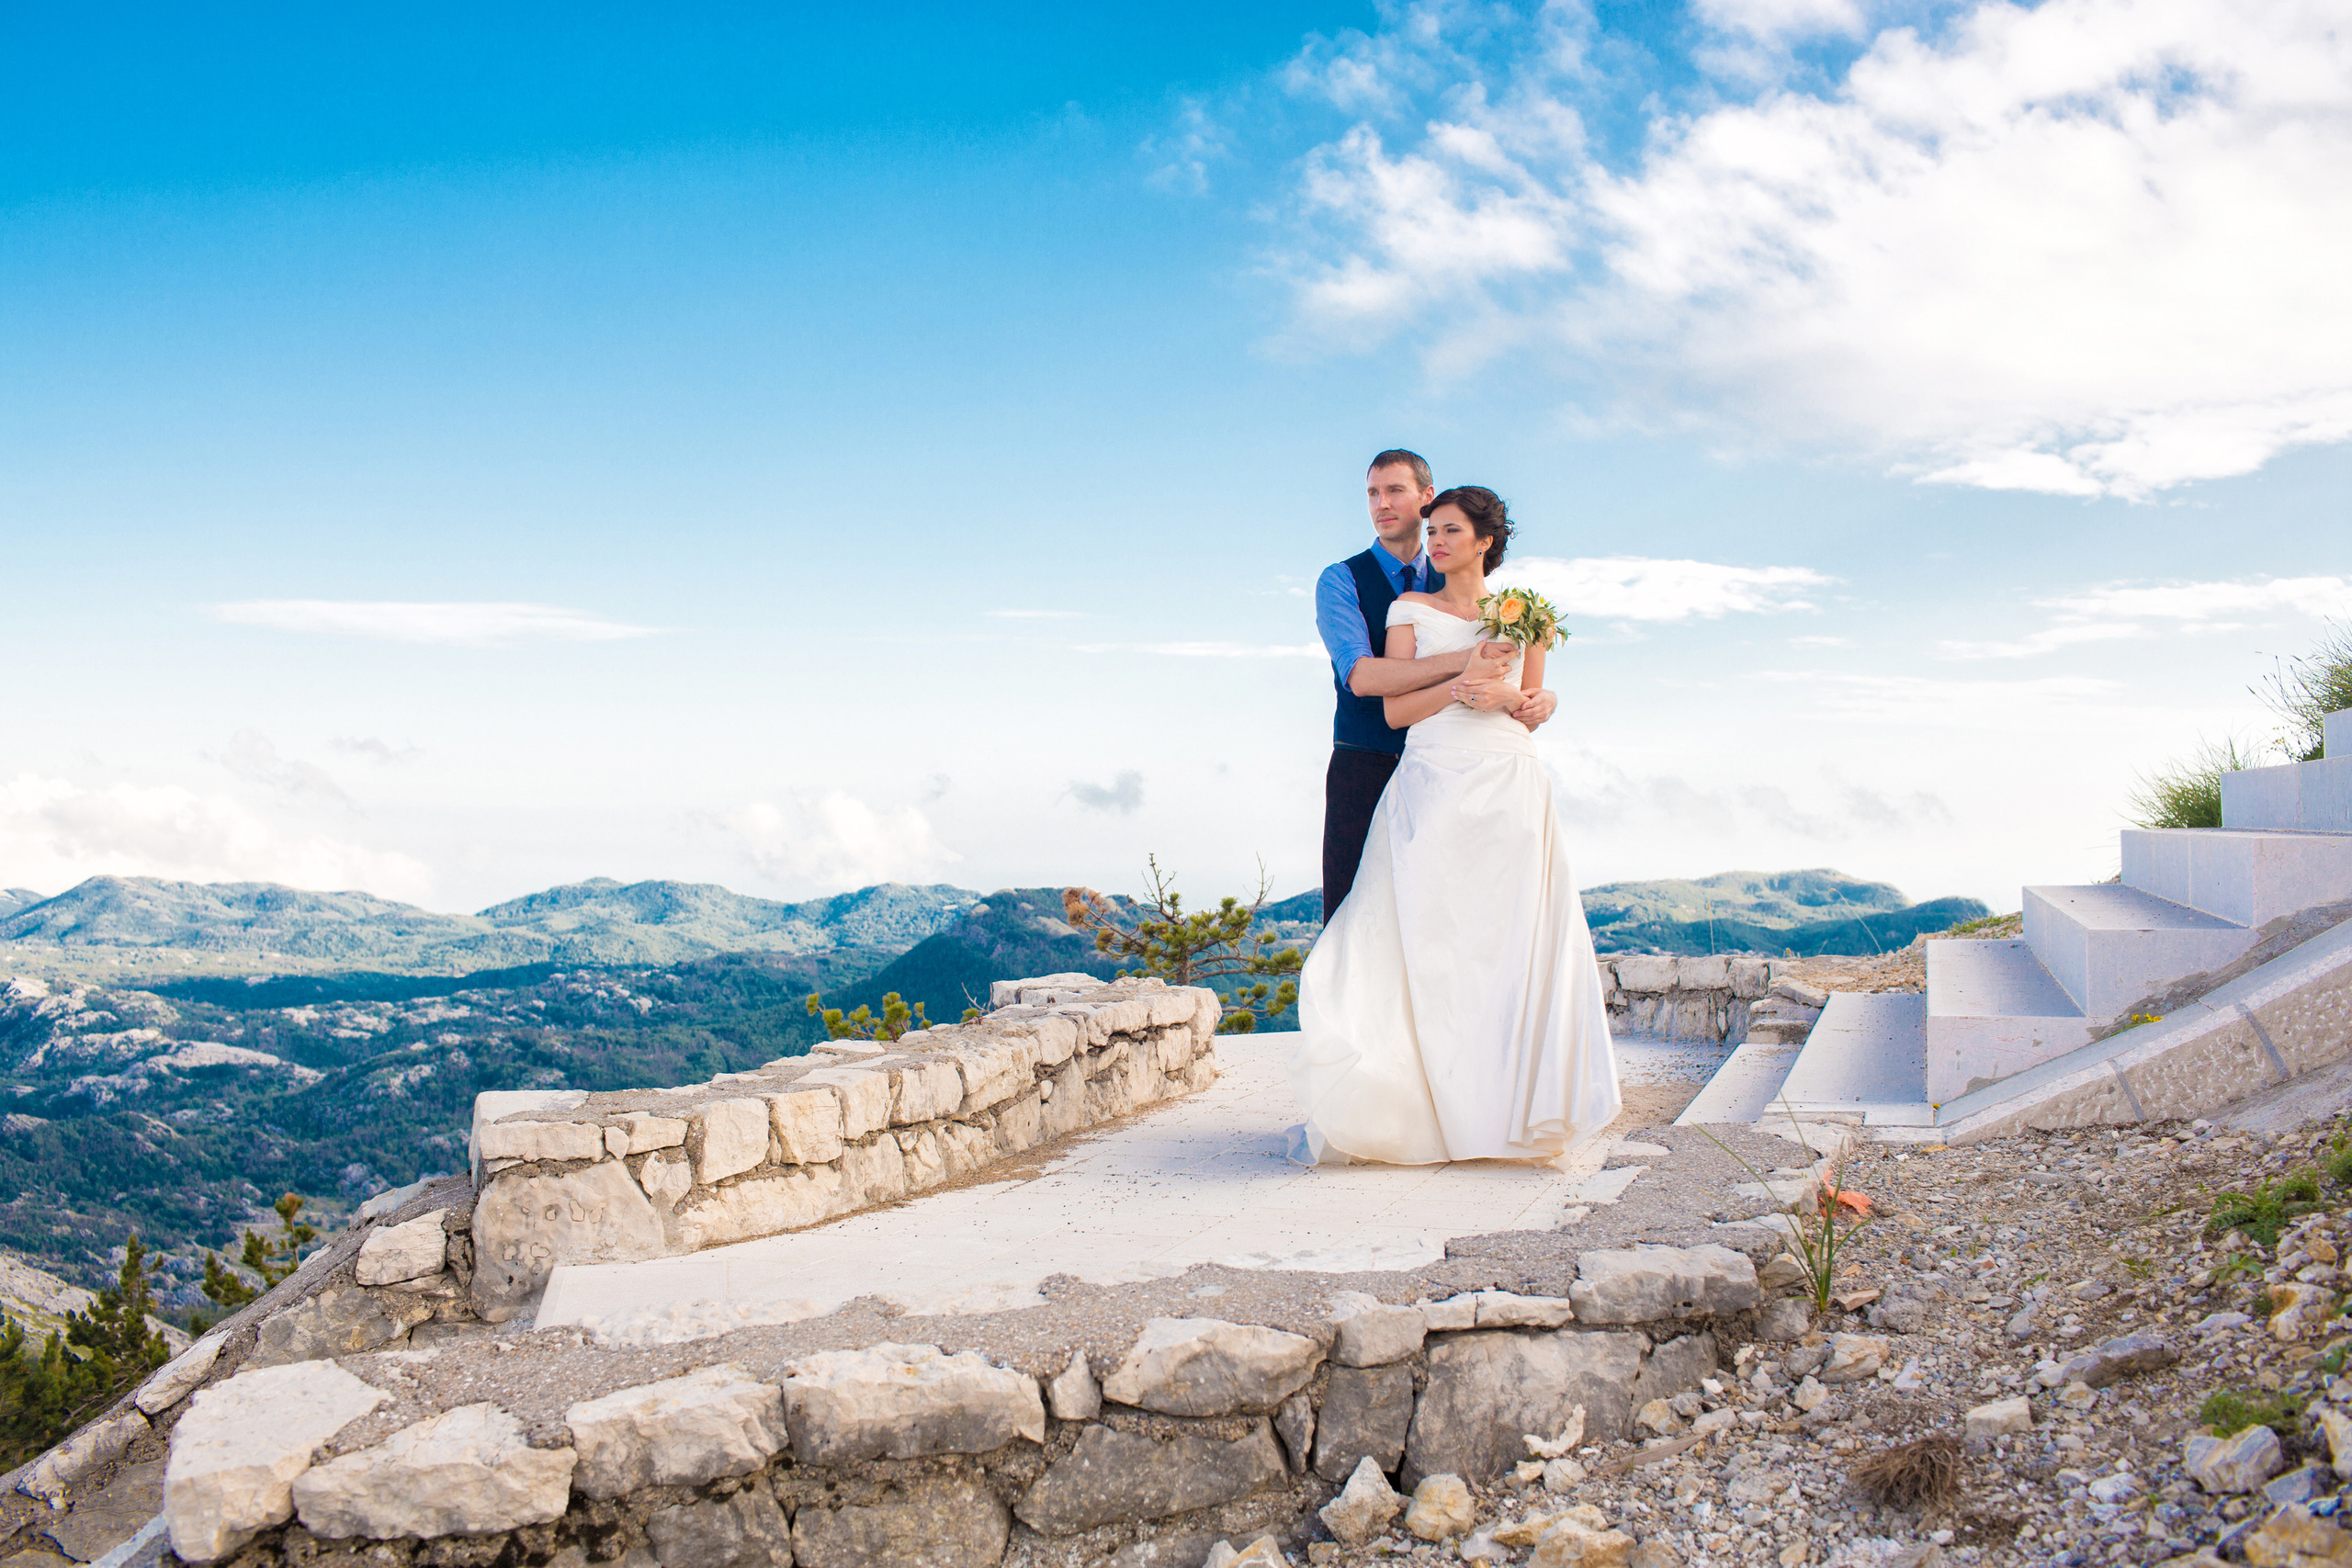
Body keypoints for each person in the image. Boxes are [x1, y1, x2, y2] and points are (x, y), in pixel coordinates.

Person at [1288, 485, 1620, 1166]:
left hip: (1510, 780)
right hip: (1434, 780)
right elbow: (1394, 712)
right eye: (1431, 530)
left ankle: (1506, 1112)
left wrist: (1529, 699)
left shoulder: (1522, 613)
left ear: (1485, 541)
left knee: (1507, 947)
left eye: (1448, 531)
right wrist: (1461, 685)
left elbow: (1530, 701)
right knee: (1437, 943)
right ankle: (1431, 1110)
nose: (1434, 541)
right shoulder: (1410, 609)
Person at [1314, 450, 1555, 921]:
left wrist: (1539, 699)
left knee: (1450, 916)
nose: (1381, 504)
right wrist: (1466, 663)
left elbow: (1517, 677)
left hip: (1463, 775)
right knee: (1354, 918)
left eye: (1395, 491)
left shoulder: (1464, 579)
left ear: (1427, 498)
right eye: (1372, 493)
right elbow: (1363, 677)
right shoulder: (1342, 580)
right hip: (1365, 763)